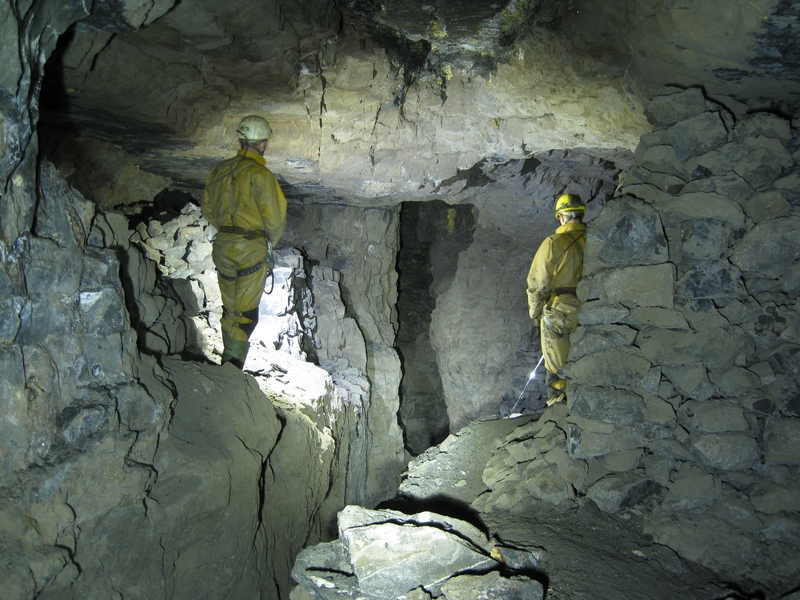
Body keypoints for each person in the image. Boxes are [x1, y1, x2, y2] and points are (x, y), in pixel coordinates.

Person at [201, 115, 287, 368]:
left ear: (239, 140)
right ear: (263, 144)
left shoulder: (217, 171)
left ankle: (227, 361)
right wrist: (267, 244)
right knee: (245, 313)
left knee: (230, 308)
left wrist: (228, 231)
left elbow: (208, 209)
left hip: (223, 245)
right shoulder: (260, 174)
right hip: (250, 248)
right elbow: (275, 219)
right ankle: (231, 368)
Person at [526, 193, 587, 405]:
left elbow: (538, 283)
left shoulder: (554, 242)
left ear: (561, 217)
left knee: (557, 369)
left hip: (561, 311)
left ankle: (560, 410)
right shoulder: (595, 239)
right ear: (581, 215)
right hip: (590, 311)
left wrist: (535, 312)